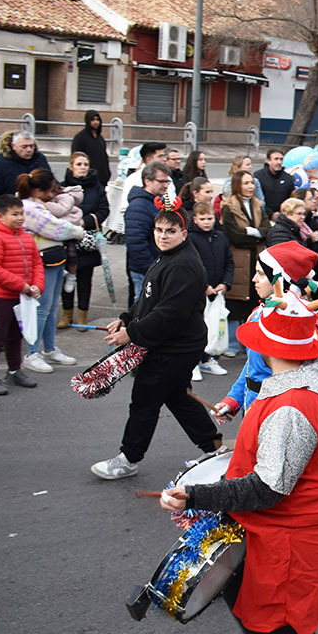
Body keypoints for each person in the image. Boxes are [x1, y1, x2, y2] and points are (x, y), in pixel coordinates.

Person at [159, 295, 318, 634]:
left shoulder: (293, 406)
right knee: (242, 593)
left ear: (271, 348)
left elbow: (268, 487)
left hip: (295, 527)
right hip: (277, 522)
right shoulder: (295, 382)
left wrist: (195, 494)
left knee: (291, 620)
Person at [90, 204, 223, 480]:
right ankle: (213, 448)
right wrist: (127, 319)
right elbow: (149, 299)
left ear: (184, 234)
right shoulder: (167, 256)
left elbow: (168, 314)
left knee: (144, 401)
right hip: (172, 343)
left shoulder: (184, 265)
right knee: (178, 397)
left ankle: (128, 459)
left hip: (175, 347)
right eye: (159, 230)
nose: (163, 236)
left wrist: (132, 334)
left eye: (170, 231)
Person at [214, 242, 318, 424]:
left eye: (261, 274)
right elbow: (252, 368)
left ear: (281, 279)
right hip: (253, 406)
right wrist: (233, 400)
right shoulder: (258, 313)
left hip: (275, 414)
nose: (254, 279)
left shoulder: (296, 324)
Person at [17, 170, 85, 374]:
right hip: (39, 261)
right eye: (49, 191)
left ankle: (48, 348)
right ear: (38, 190)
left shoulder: (35, 204)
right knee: (41, 308)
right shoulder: (29, 207)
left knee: (50, 306)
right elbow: (55, 228)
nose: (52, 194)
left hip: (52, 259)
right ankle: (31, 353)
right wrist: (79, 231)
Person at [0, 196, 43, 395]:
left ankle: (14, 370)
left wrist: (37, 285)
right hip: (0, 296)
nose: (20, 218)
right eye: (14, 214)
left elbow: (36, 263)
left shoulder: (26, 237)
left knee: (16, 336)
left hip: (22, 296)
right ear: (1, 216)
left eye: (22, 213)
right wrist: (22, 286)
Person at [58, 152, 110, 330]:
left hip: (87, 239)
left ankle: (82, 316)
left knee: (84, 279)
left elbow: (104, 210)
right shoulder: (61, 187)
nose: (82, 168)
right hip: (67, 239)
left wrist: (85, 221)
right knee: (66, 278)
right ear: (71, 166)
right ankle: (66, 315)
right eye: (79, 164)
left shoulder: (97, 188)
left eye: (85, 164)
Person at [187, 202, 233, 379]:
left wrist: (225, 283)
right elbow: (193, 265)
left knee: (213, 328)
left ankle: (208, 359)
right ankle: (193, 363)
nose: (207, 222)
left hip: (217, 291)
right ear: (195, 219)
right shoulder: (191, 238)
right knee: (197, 328)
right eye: (203, 219)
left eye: (210, 218)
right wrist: (203, 285)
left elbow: (229, 261)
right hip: (198, 292)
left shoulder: (220, 236)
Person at [221, 169, 271, 330]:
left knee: (253, 296)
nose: (251, 186)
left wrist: (252, 232)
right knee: (237, 299)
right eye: (246, 183)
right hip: (238, 258)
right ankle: (234, 343)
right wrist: (256, 236)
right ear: (237, 185)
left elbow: (267, 230)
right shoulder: (228, 207)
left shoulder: (258, 205)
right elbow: (236, 236)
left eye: (252, 183)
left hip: (255, 258)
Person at [125, 161, 173, 305]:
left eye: (167, 181)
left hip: (159, 267)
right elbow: (136, 244)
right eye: (161, 181)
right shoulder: (138, 206)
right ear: (147, 181)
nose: (166, 185)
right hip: (145, 271)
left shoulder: (160, 201)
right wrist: (153, 270)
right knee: (143, 307)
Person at [0, 131, 51, 220]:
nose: (29, 150)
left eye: (31, 146)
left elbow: (50, 183)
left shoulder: (40, 159)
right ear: (13, 146)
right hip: (10, 213)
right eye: (24, 147)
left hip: (39, 211)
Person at [70, 110, 111, 185]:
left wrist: (107, 173)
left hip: (101, 177)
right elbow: (75, 157)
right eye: (93, 120)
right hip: (87, 177)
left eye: (97, 120)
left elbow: (104, 157)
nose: (95, 122)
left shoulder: (100, 138)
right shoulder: (80, 137)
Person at [254, 148, 296, 216]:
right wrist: (271, 214)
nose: (279, 162)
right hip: (262, 215)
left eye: (281, 159)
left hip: (283, 216)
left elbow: (291, 199)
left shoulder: (288, 178)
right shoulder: (258, 176)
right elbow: (256, 199)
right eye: (276, 159)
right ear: (268, 161)